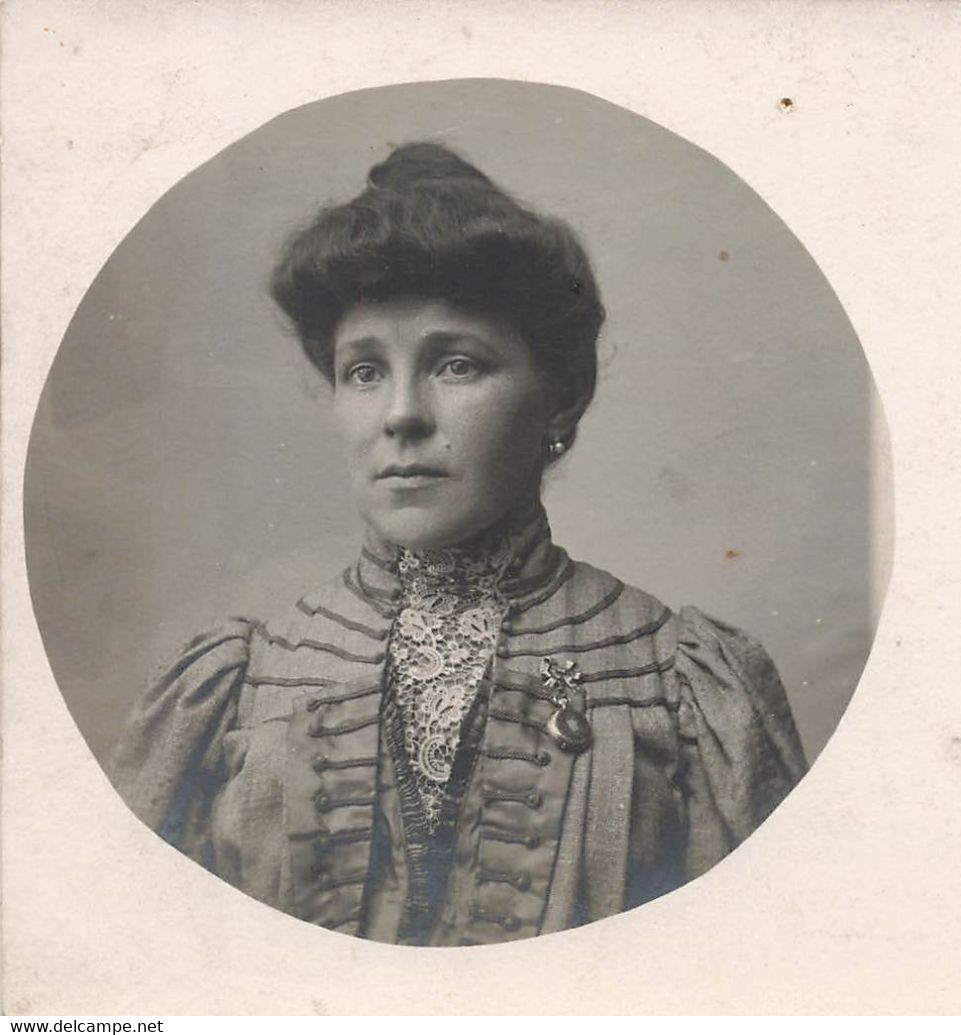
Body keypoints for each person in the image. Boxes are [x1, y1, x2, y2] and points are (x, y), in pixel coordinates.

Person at [109, 141, 808, 947]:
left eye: (457, 364)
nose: (400, 414)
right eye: (363, 372)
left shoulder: (681, 680)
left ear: (561, 398)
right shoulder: (236, 686)